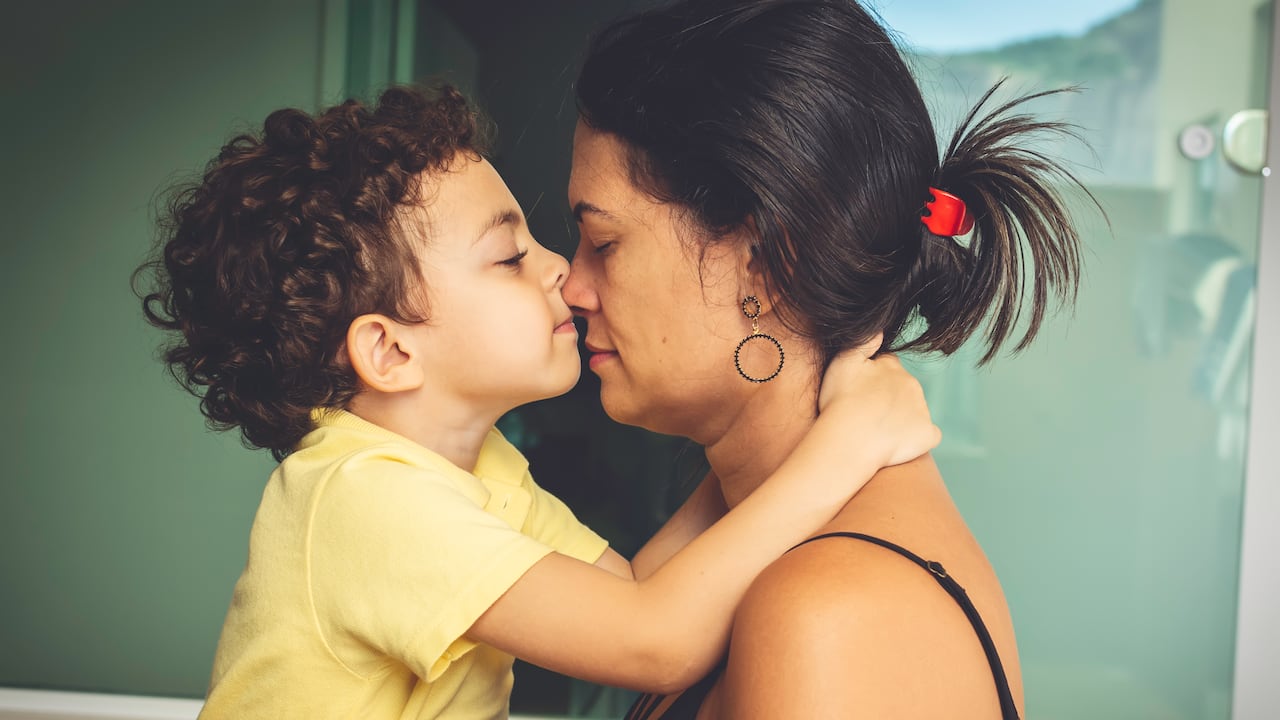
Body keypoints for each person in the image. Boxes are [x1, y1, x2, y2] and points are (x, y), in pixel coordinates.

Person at [135, 84, 938, 719]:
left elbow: (632, 595)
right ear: (390, 351)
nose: (562, 270)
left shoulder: (478, 467)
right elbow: (653, 643)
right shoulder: (362, 500)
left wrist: (756, 436)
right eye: (510, 256)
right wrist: (844, 445)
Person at [566, 1, 1099, 717]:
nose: (572, 287)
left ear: (761, 261)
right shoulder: (765, 538)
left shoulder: (825, 616)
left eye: (603, 245)